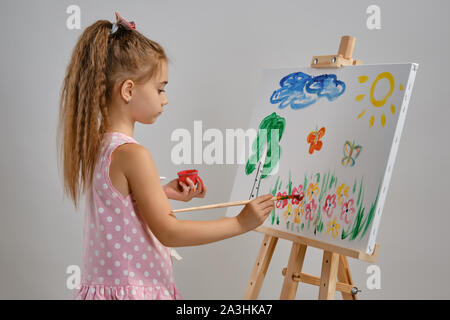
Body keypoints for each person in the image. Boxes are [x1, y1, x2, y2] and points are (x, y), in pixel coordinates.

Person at [57, 12, 275, 300]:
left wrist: (161, 193)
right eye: (160, 89)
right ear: (128, 90)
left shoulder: (97, 146)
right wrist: (241, 222)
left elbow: (118, 208)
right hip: (134, 293)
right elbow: (170, 232)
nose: (165, 99)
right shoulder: (134, 155)